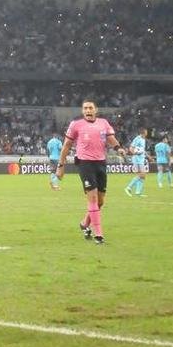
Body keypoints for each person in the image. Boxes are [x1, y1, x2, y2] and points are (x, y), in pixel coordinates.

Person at [57, 100, 124, 245]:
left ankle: (84, 224)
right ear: (82, 111)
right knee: (92, 199)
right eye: (85, 108)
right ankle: (98, 234)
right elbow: (66, 146)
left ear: (96, 110)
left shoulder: (104, 123)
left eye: (90, 108)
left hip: (101, 163)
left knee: (100, 202)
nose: (88, 110)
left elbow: (111, 139)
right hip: (85, 164)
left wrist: (119, 148)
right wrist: (60, 166)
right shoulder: (76, 125)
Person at [124, 129, 148, 197]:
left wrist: (148, 156)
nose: (147, 133)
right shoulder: (138, 138)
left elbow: (142, 150)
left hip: (141, 159)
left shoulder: (143, 139)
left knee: (142, 176)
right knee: (142, 175)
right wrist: (134, 152)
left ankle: (138, 192)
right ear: (143, 132)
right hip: (137, 159)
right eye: (146, 132)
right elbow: (131, 148)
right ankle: (128, 187)